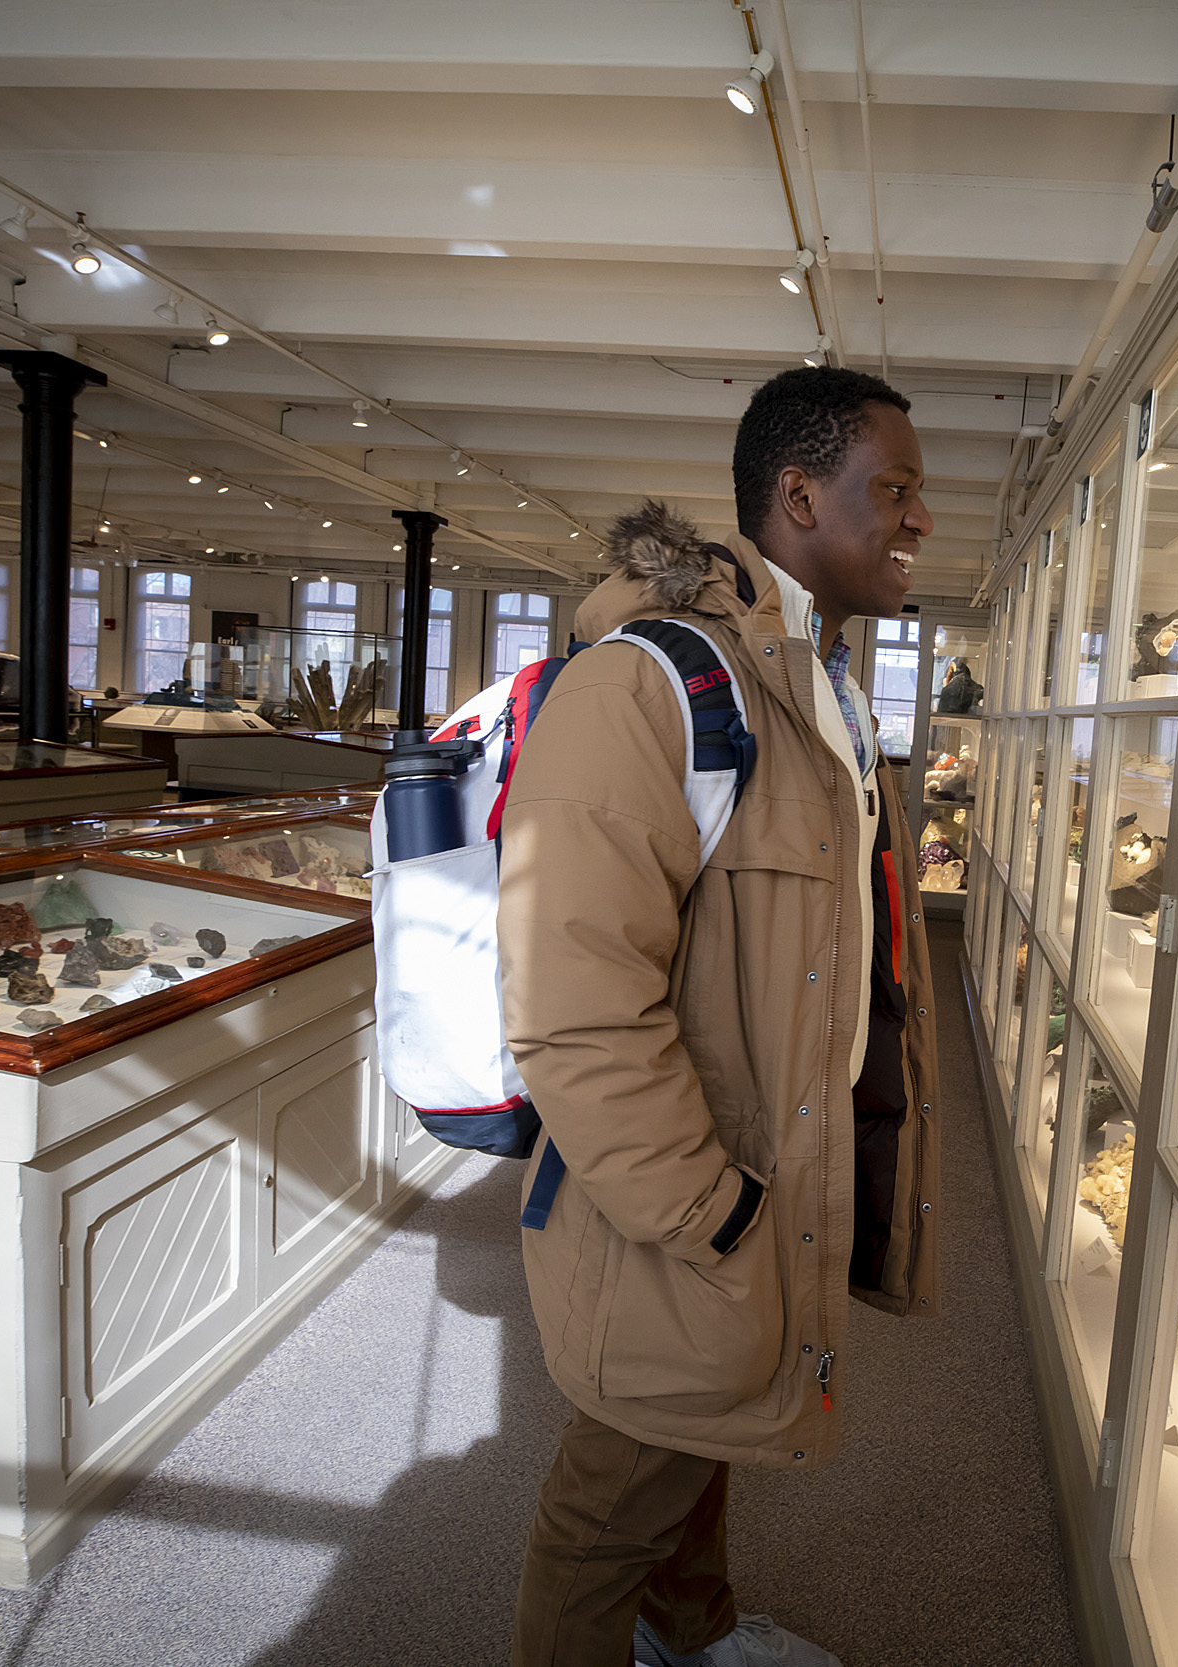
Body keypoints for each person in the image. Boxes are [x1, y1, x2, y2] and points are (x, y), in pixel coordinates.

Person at [497, 367, 942, 1667]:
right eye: (895, 490)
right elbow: (572, 1003)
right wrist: (712, 1209)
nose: (920, 521)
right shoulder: (650, 690)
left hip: (765, 1168)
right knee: (606, 1506)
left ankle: (690, 1637)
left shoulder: (816, 687)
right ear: (798, 496)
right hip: (688, 1200)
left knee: (705, 1435)